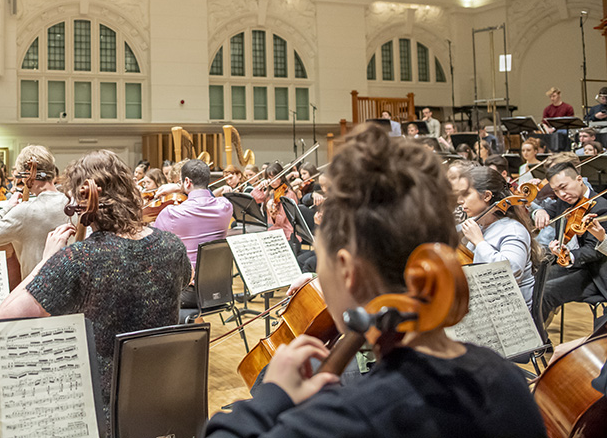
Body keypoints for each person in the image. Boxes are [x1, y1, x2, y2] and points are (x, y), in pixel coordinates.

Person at [203, 125, 545, 438]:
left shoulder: (341, 421)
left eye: (321, 264)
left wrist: (272, 396)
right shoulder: (509, 384)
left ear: (347, 272)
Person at [0, 150, 190, 431]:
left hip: (100, 406)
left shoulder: (79, 259)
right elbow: (184, 280)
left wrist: (45, 263)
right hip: (164, 398)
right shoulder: (172, 246)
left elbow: (4, 319)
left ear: (82, 202)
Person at [0, 145, 70, 278]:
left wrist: (8, 208)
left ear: (26, 175)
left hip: (36, 290)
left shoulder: (24, 211)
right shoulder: (73, 203)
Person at [151, 159, 234, 308]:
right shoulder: (226, 207)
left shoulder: (171, 213)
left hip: (188, 293)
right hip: (220, 290)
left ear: (187, 182)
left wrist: (178, 188)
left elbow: (153, 248)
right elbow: (208, 196)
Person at [455, 166, 538, 308]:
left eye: (466, 194)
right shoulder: (480, 224)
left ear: (487, 196)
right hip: (485, 305)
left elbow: (510, 272)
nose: (460, 200)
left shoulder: (513, 230)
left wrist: (479, 242)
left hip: (509, 312)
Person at [540, 162, 607, 321]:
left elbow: (594, 251)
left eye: (563, 187)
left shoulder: (601, 207)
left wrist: (569, 256)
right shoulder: (565, 201)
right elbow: (548, 210)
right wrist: (540, 210)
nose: (561, 194)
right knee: (534, 281)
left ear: (579, 179)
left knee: (546, 292)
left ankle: (540, 342)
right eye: (556, 191)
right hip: (569, 263)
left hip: (592, 272)